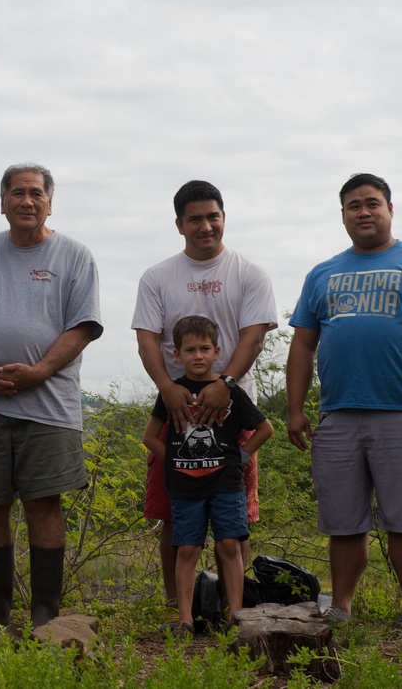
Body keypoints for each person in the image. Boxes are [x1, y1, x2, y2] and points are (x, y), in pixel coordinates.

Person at [287, 173, 402, 631]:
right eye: (353, 206)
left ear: (390, 209)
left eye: (372, 203)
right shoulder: (322, 273)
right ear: (342, 215)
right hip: (338, 414)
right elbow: (302, 345)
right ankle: (341, 608)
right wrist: (295, 408)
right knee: (343, 522)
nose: (363, 212)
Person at [0, 163, 102, 630]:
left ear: (50, 202)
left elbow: (83, 326)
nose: (26, 201)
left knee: (44, 503)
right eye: (17, 193)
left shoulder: (74, 255)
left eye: (35, 193)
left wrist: (40, 371)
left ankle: (45, 614)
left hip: (49, 406)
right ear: (3, 200)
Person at [131, 180, 276, 619]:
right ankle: (177, 606)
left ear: (223, 218)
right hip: (176, 411)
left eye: (213, 216)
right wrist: (168, 389)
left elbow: (252, 337)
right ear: (179, 224)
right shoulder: (157, 277)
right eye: (195, 218)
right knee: (174, 511)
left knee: (235, 520)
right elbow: (148, 341)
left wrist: (225, 383)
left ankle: (233, 610)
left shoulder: (249, 273)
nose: (205, 225)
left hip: (234, 411)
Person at [142, 316, 273, 637]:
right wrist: (176, 460)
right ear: (176, 354)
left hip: (226, 486)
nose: (197, 356)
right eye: (190, 350)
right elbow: (150, 437)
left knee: (230, 544)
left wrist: (239, 458)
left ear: (217, 351)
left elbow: (265, 429)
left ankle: (237, 615)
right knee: (187, 549)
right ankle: (184, 619)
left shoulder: (230, 393)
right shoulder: (172, 393)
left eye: (204, 349)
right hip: (185, 488)